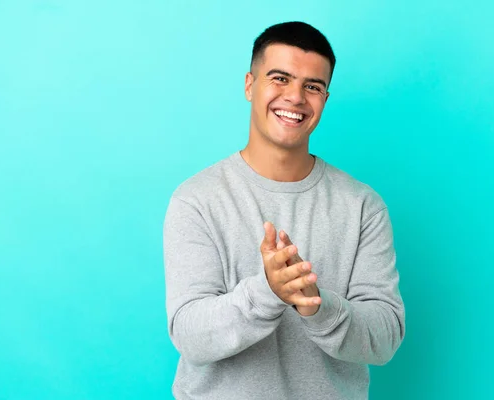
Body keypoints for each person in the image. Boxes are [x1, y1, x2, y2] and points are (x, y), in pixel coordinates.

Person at [163, 21, 405, 400]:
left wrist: (315, 305)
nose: (295, 97)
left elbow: (385, 337)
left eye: (312, 86)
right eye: (280, 78)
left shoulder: (363, 207)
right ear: (249, 85)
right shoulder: (197, 199)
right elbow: (190, 335)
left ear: (324, 98)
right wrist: (268, 292)